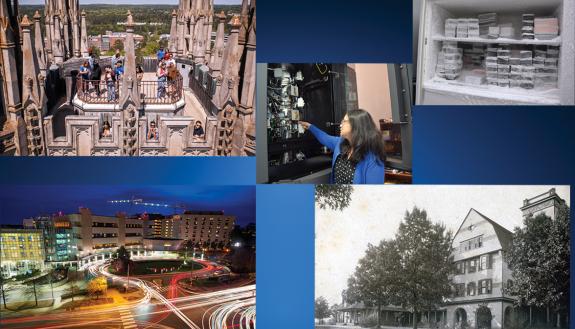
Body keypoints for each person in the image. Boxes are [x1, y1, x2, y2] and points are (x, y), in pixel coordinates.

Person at [299, 109, 386, 184]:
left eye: (344, 121)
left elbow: (374, 193)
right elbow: (325, 138)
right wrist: (310, 127)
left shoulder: (373, 158)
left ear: (356, 126)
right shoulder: (340, 143)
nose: (340, 125)